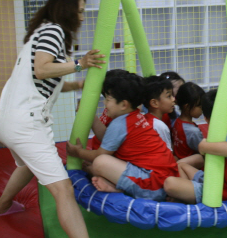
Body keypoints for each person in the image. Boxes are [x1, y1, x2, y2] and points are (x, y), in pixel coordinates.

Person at [0, 0, 106, 238]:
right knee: (63, 189)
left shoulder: (40, 33)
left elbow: (46, 80)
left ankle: (1, 207)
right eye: (80, 11)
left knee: (27, 166)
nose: (82, 17)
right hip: (25, 124)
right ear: (67, 10)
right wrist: (80, 64)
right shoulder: (54, 31)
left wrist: (78, 84)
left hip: (7, 120)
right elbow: (42, 69)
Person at [66, 72, 178, 201]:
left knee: (100, 162)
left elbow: (101, 154)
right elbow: (108, 139)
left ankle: (119, 188)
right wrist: (90, 115)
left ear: (124, 105)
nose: (105, 103)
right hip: (163, 179)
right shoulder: (134, 116)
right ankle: (116, 185)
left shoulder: (121, 123)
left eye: (108, 100)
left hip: (152, 186)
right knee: (102, 160)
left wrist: (78, 152)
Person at [171, 82, 206, 161]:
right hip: (192, 165)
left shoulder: (176, 121)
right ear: (187, 107)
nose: (202, 109)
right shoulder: (193, 131)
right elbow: (204, 151)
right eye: (200, 106)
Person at [142, 75, 175, 151]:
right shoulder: (159, 126)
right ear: (154, 103)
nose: (173, 99)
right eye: (169, 96)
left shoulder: (144, 119)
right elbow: (167, 154)